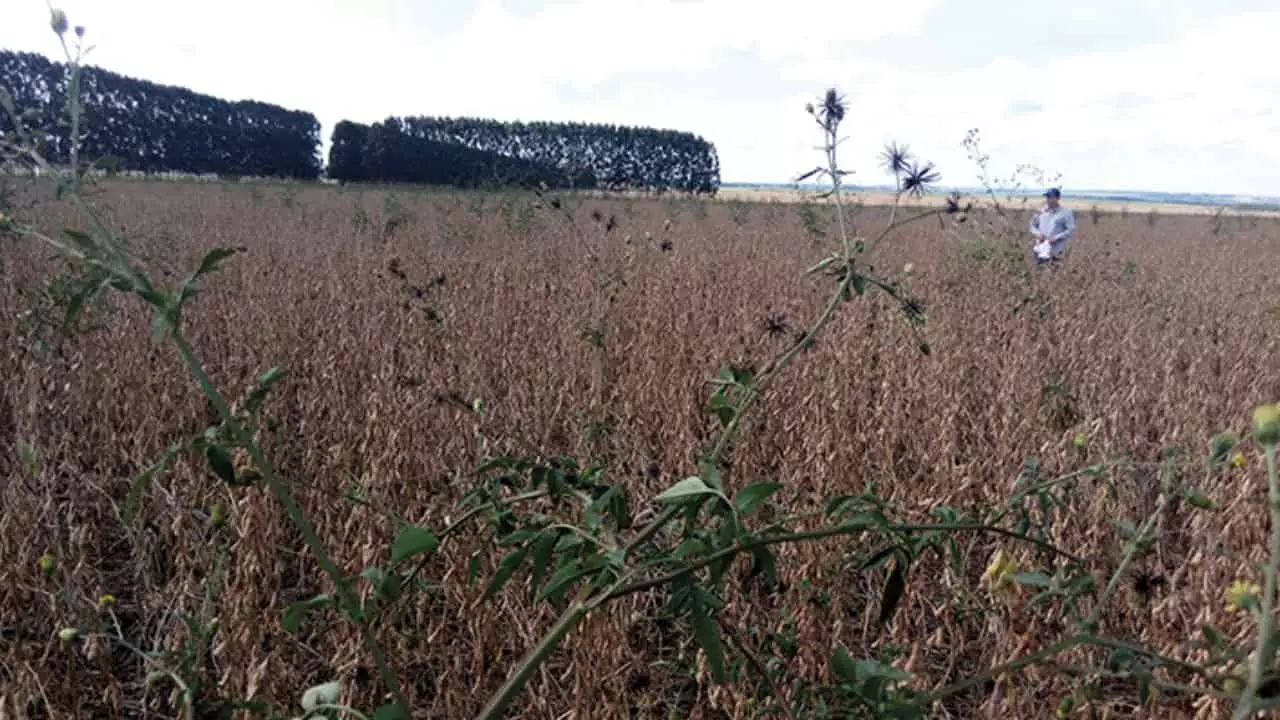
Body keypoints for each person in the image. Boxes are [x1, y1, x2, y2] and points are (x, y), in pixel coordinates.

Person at [1029, 187, 1076, 265]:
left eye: (1051, 197)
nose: (1048, 199)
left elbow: (1071, 230)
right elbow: (1032, 226)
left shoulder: (1066, 213)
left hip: (1056, 252)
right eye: (1047, 197)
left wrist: (1056, 238)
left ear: (1057, 198)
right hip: (1040, 250)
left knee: (1054, 275)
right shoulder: (1040, 211)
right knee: (1037, 274)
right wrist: (1038, 234)